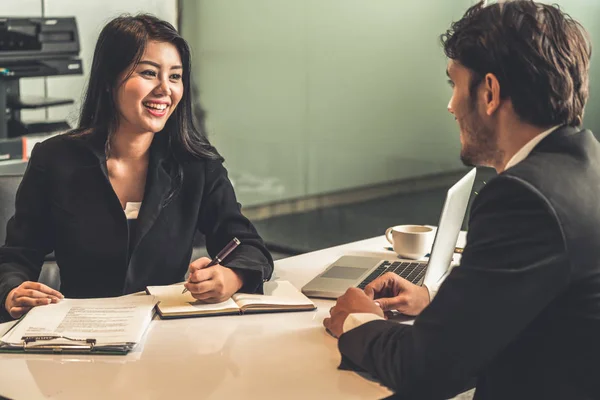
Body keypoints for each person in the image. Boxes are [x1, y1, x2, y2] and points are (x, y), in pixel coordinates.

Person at [324, 1, 600, 399]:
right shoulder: (585, 169)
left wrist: (358, 322)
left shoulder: (524, 197)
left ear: (489, 92)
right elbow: (545, 306)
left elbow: (425, 370)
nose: (451, 106)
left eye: (455, 83)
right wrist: (435, 301)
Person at [0, 14, 273, 322]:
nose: (165, 90)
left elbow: (248, 246)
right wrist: (13, 291)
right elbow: (16, 258)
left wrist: (231, 275)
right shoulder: (55, 160)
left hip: (167, 337)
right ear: (108, 79)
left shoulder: (197, 165)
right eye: (148, 73)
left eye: (175, 76)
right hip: (77, 339)